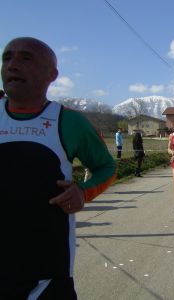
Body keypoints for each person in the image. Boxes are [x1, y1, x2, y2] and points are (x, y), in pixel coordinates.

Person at [0, 37, 116, 299]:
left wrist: (83, 192)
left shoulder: (69, 122)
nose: (12, 65)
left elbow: (106, 167)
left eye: (26, 58)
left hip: (46, 274)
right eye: (7, 57)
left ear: (52, 75)